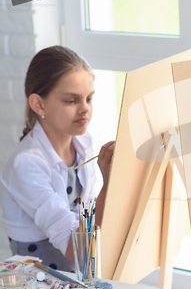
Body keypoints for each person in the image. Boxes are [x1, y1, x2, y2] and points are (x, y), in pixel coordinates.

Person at [0, 46, 115, 272]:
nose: (85, 109)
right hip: (44, 288)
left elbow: (90, 219)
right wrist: (110, 182)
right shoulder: (27, 164)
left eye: (89, 99)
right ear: (38, 104)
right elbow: (78, 249)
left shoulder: (84, 143)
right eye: (71, 101)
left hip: (79, 278)